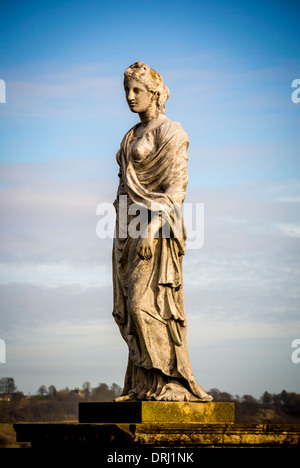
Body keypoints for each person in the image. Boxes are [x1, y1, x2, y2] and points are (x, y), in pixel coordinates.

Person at [112, 61, 212, 402]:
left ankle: (172, 380)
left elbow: (176, 190)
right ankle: (143, 384)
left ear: (154, 93)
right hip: (127, 227)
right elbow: (123, 187)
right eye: (126, 90)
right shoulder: (130, 136)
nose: (129, 96)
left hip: (157, 226)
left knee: (148, 304)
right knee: (129, 307)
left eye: (136, 90)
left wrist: (153, 230)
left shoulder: (172, 132)